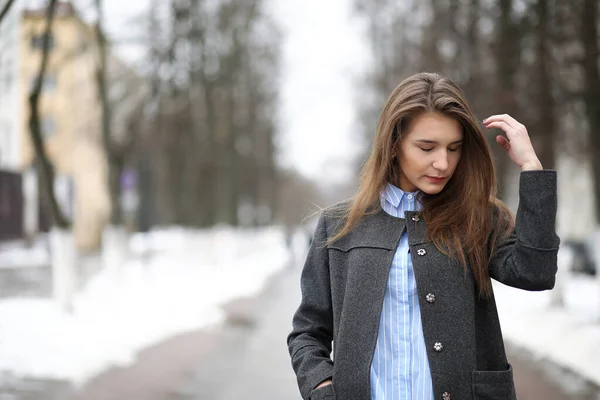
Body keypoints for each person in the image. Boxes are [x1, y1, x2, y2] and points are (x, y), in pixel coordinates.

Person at [286, 72, 559, 400]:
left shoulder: (478, 217)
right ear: (394, 143)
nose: (443, 163)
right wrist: (321, 385)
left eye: (454, 148)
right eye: (426, 147)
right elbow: (307, 332)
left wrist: (531, 168)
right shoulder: (340, 225)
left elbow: (535, 272)